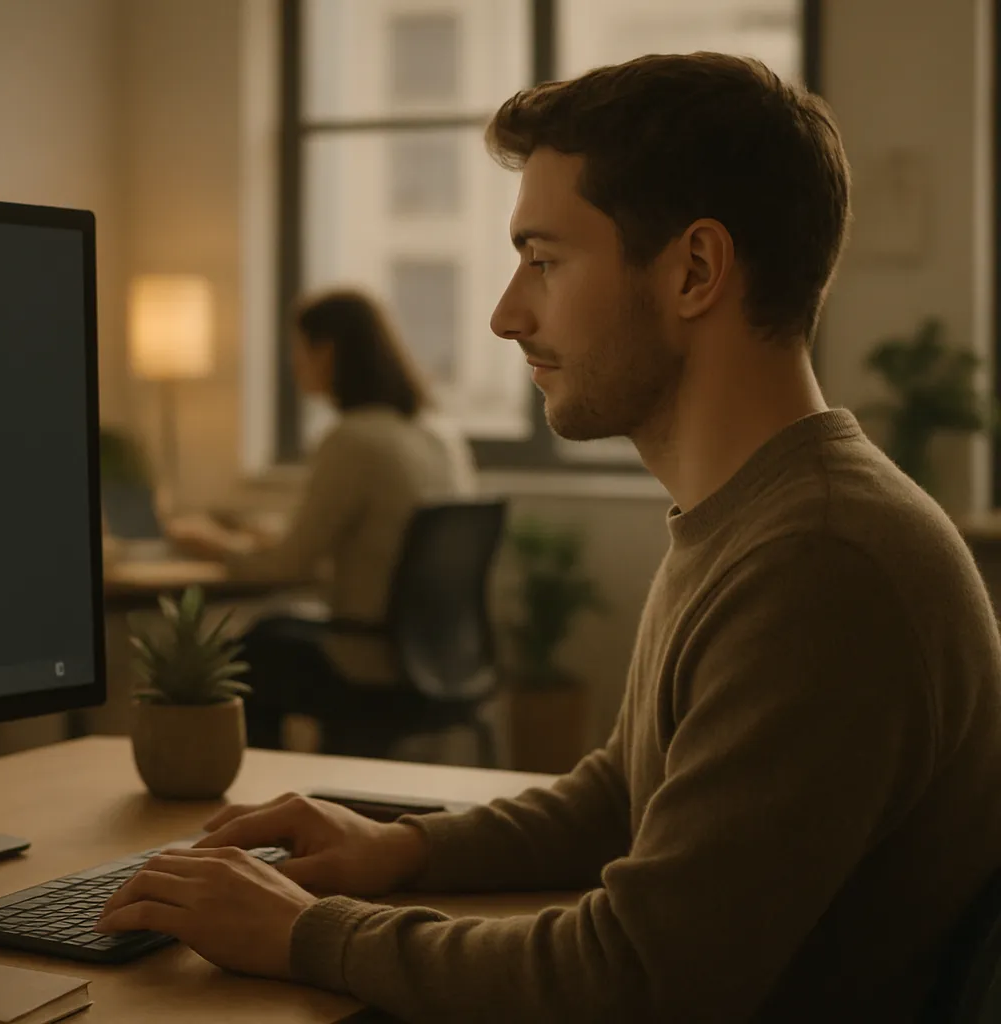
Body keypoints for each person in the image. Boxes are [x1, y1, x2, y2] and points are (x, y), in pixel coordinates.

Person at [95, 51, 1001, 1022]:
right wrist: (399, 847)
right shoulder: (764, 515)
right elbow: (629, 795)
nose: (504, 312)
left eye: (543, 259)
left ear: (695, 270)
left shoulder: (822, 561)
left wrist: (305, 932)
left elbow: (634, 977)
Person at [167, 289, 474, 749]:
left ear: (326, 350)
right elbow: (375, 539)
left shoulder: (351, 440)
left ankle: (250, 801)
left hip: (372, 662)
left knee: (242, 652)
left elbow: (289, 566)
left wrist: (212, 545)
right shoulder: (437, 436)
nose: (294, 364)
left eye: (298, 348)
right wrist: (273, 536)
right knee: (276, 633)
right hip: (443, 659)